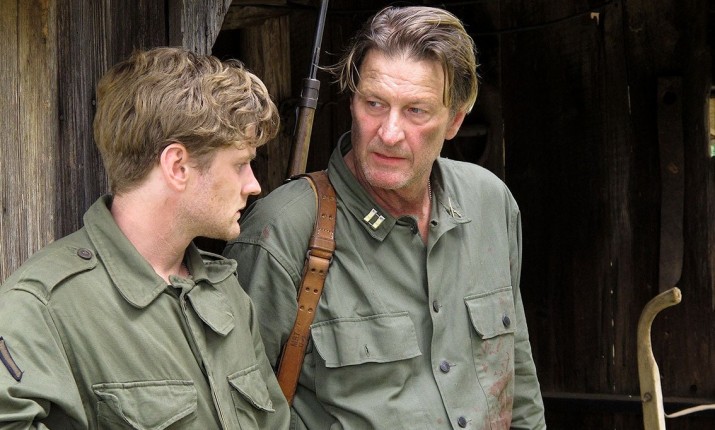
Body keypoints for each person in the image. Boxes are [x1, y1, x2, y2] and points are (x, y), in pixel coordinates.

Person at [224, 5, 546, 430]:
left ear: (454, 120)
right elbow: (237, 413)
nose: (389, 134)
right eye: (374, 103)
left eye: (416, 111)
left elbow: (517, 380)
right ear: (352, 102)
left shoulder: (489, 202)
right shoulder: (281, 231)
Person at [0, 47, 290, 429]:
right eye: (240, 164)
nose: (253, 185)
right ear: (177, 166)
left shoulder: (226, 293)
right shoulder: (42, 306)